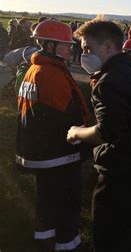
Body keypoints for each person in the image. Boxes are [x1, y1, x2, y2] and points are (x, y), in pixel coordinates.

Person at [67, 17, 131, 251]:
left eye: (88, 48)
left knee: (108, 234)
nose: (83, 54)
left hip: (119, 169)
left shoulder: (108, 80)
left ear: (107, 47)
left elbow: (105, 132)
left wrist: (76, 132)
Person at [16, 20, 89, 251]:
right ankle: (67, 245)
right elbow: (69, 117)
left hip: (40, 152)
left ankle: (44, 242)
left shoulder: (34, 69)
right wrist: (85, 141)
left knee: (46, 200)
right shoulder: (51, 75)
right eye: (65, 45)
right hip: (58, 154)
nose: (70, 49)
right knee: (67, 202)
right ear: (49, 46)